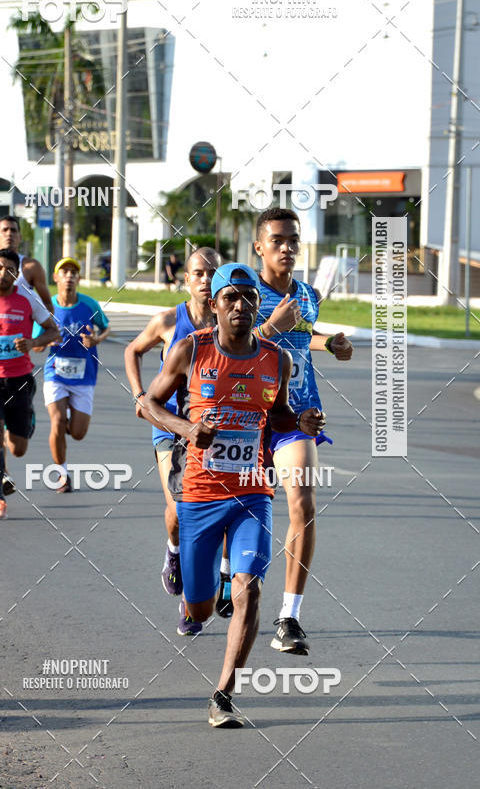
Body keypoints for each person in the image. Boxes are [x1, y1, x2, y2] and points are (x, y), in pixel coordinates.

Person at [143, 262, 323, 727]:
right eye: (230, 298)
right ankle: (202, 589)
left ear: (257, 304)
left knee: (251, 590)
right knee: (200, 609)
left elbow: (279, 415)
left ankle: (223, 695)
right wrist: (187, 428)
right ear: (215, 306)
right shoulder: (191, 350)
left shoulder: (275, 360)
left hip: (251, 493)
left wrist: (298, 424)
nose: (240, 305)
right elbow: (147, 404)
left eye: (248, 297)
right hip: (199, 496)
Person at [254, 207, 353, 655]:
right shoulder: (243, 291)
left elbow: (301, 335)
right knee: (235, 506)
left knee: (303, 502)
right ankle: (219, 573)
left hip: (298, 415)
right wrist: (274, 324)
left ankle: (288, 616)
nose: (287, 247)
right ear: (259, 246)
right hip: (246, 417)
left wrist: (327, 341)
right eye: (277, 240)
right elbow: (234, 345)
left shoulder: (308, 294)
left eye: (293, 239)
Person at [124, 247, 224, 634]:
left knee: (211, 516)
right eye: (198, 273)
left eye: (212, 273)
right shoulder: (168, 321)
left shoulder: (230, 321)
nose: (205, 280)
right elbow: (133, 350)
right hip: (169, 426)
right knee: (181, 513)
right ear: (186, 280)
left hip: (216, 434)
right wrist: (138, 395)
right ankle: (174, 551)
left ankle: (191, 606)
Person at [0, 249, 60, 520]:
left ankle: (25, 421)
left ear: (16, 273)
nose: (2, 273)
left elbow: (53, 330)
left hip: (20, 378)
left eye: (9, 269)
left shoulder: (27, 300)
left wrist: (32, 343)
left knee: (18, 448)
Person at [0, 215, 54, 491]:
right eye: (4, 230)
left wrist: (37, 340)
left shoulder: (30, 267)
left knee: (18, 446)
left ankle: (25, 418)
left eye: (14, 230)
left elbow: (47, 305)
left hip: (19, 358)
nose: (9, 234)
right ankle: (2, 479)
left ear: (20, 237)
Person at [35, 257, 109, 493]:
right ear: (56, 278)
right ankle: (62, 474)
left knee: (77, 433)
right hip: (55, 373)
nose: (69, 276)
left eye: (73, 273)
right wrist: (46, 341)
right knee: (56, 422)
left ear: (78, 279)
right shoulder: (47, 308)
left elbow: (105, 327)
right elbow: (36, 343)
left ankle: (69, 415)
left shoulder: (89, 304)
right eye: (64, 272)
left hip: (84, 375)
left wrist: (96, 339)